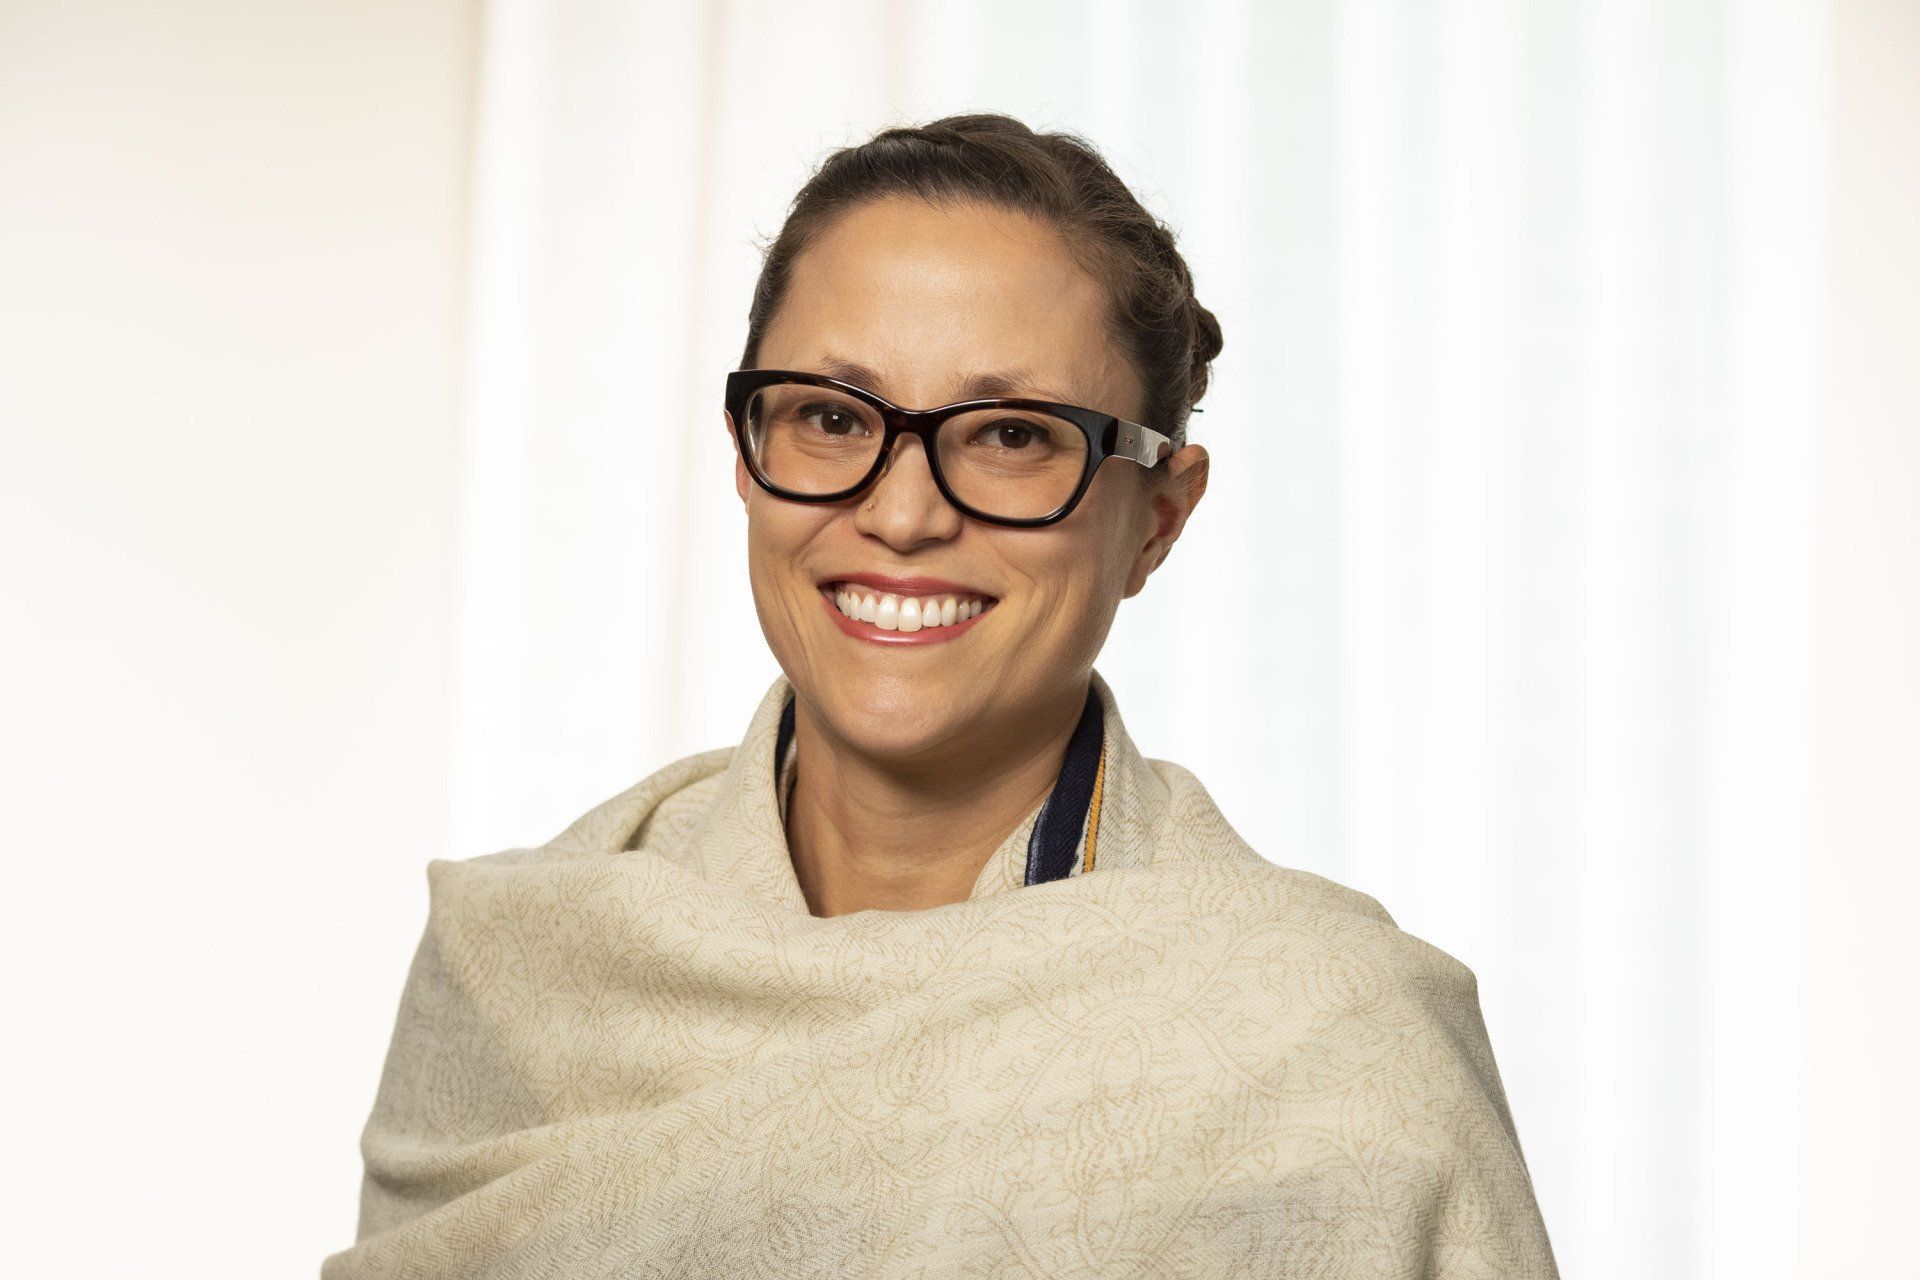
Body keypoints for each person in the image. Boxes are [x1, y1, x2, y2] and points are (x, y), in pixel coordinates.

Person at [324, 113, 1558, 1278]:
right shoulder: (521, 973)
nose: (903, 511)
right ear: (748, 459)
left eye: (1012, 434)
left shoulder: (1334, 1047)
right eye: (827, 415)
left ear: (1158, 520)